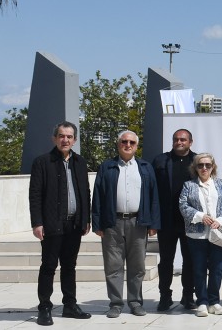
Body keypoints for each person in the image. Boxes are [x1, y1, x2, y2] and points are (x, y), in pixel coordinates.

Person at [91, 130, 161, 318]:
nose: (127, 145)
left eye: (131, 142)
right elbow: (98, 195)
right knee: (113, 266)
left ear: (137, 146)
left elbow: (154, 196)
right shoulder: (107, 167)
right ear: (118, 144)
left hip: (138, 222)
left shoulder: (145, 167)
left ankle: (135, 302)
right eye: (124, 141)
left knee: (137, 266)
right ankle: (115, 304)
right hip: (112, 222)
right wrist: (97, 223)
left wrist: (154, 223)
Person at [28, 121, 92, 326]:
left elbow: (85, 192)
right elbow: (35, 195)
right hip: (51, 224)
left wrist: (86, 219)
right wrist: (37, 222)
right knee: (48, 266)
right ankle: (44, 307)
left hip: (74, 224)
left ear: (75, 140)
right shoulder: (42, 162)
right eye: (62, 136)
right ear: (54, 138)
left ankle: (70, 305)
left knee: (69, 266)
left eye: (69, 137)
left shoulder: (80, 162)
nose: (65, 140)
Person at [179, 153, 222, 317]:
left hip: (217, 233)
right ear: (195, 168)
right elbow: (183, 205)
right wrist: (200, 216)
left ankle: (214, 301)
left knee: (217, 269)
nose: (204, 168)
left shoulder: (221, 184)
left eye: (208, 165)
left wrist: (221, 220)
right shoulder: (189, 185)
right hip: (196, 235)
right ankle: (202, 302)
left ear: (212, 167)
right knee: (199, 269)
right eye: (200, 165)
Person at [152, 129, 197, 311]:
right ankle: (165, 296)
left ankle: (188, 296)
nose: (179, 142)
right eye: (176, 139)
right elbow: (152, 190)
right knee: (166, 261)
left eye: (183, 139)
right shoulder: (160, 161)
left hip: (190, 222)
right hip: (166, 221)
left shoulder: (198, 161)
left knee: (190, 261)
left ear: (190, 142)